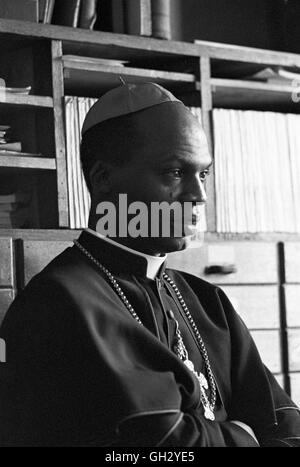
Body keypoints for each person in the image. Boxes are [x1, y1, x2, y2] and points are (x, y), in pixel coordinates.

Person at [1, 82, 300, 447]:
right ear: (103, 179)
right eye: (174, 173)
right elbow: (161, 445)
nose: (199, 196)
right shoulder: (59, 303)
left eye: (202, 174)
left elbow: (286, 423)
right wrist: (244, 435)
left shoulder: (209, 302)